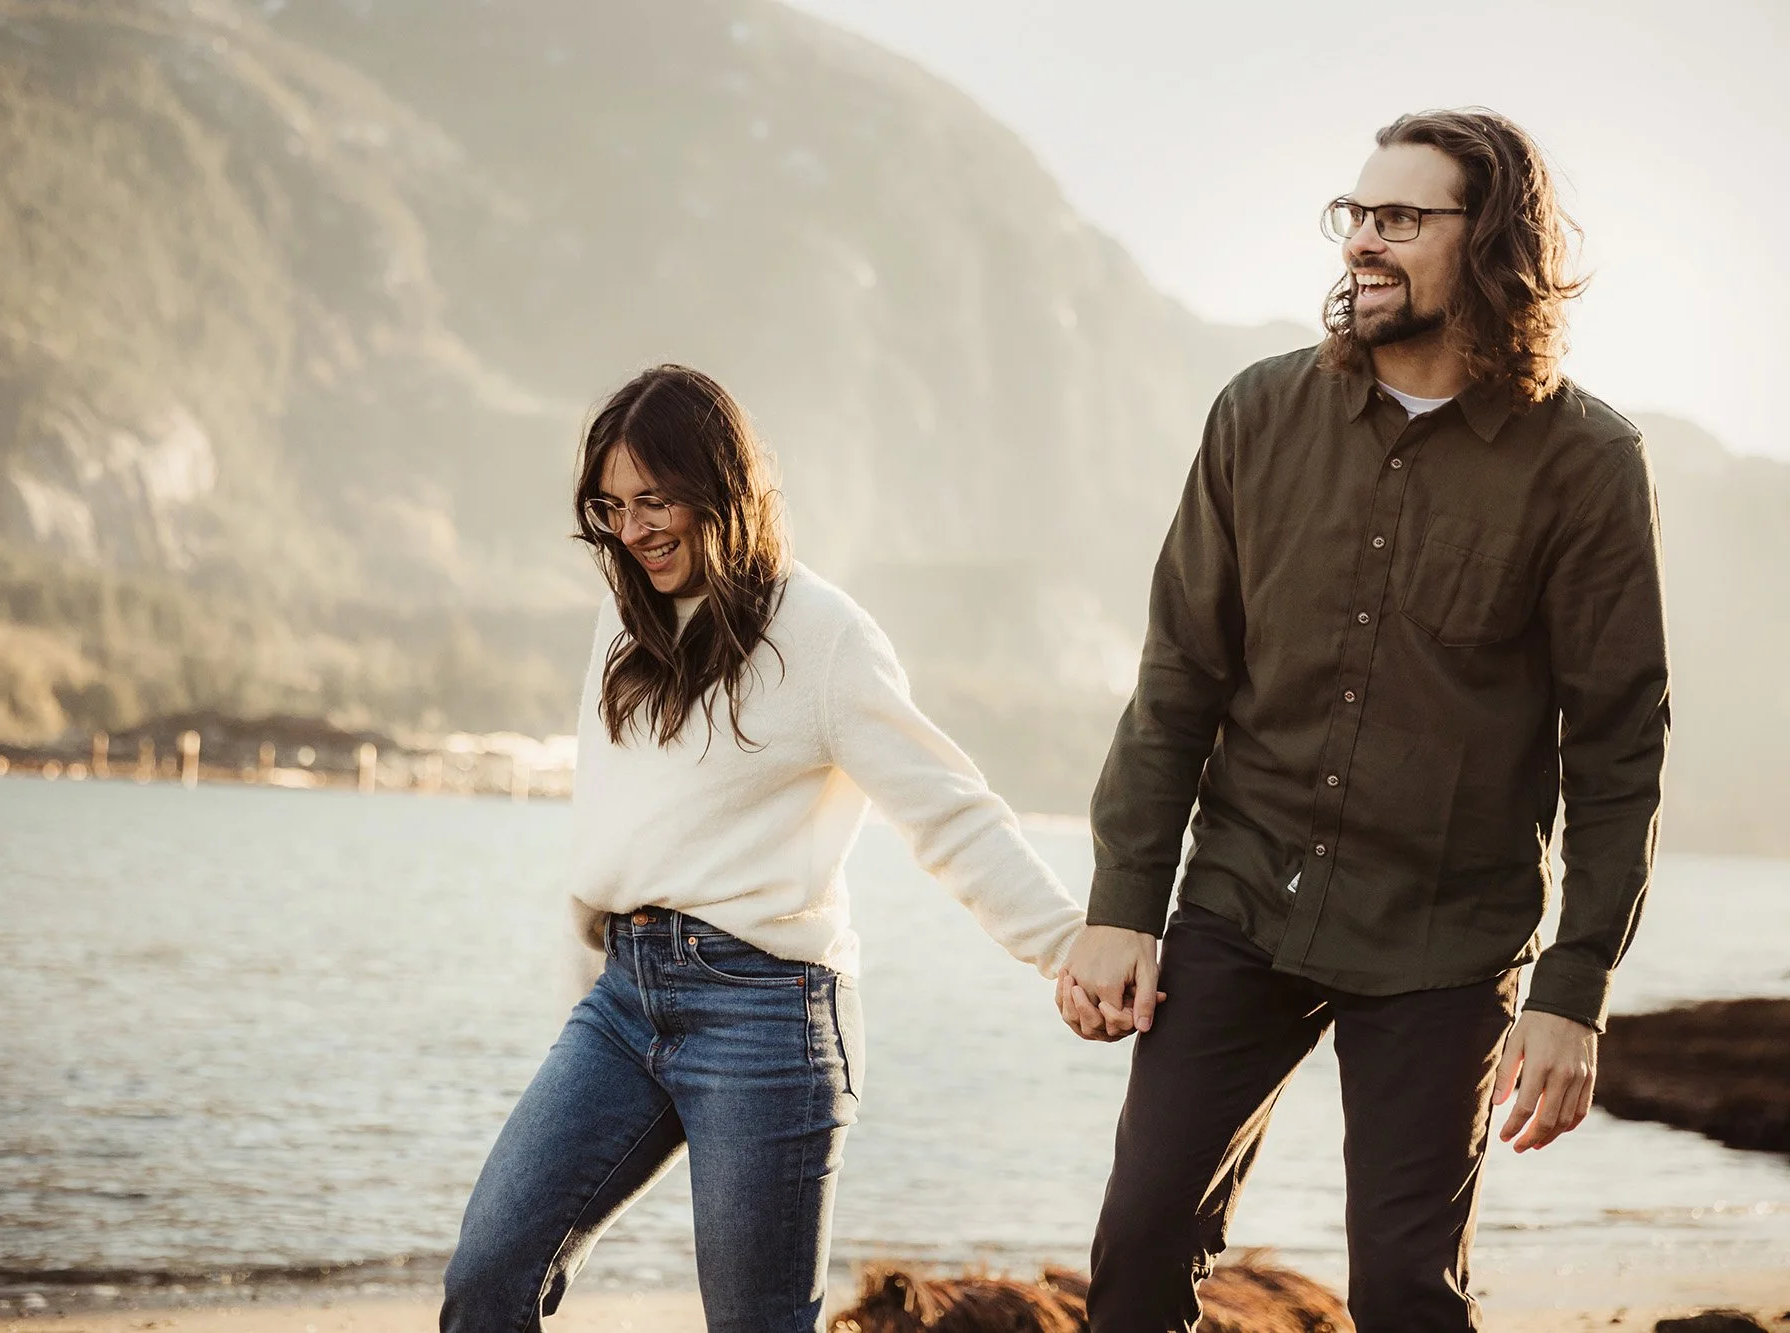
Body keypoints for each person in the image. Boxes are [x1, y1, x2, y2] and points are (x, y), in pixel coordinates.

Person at [1056, 108, 1669, 1331]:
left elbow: (1612, 745)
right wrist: (1120, 905)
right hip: (1242, 895)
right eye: (1354, 216)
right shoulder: (1257, 414)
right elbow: (1178, 674)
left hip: (1446, 934)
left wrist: (1573, 985)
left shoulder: (1585, 461)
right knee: (1134, 1249)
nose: (1360, 245)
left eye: (1398, 219)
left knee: (1401, 1290)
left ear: (1489, 241)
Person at [439, 364, 1089, 1332]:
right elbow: (608, 834)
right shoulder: (620, 627)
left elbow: (949, 810)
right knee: (488, 1278)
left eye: (654, 499)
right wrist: (583, 1001)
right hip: (623, 1002)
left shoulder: (823, 635)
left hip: (768, 1014)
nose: (633, 529)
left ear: (721, 488)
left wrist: (1069, 946)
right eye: (611, 507)